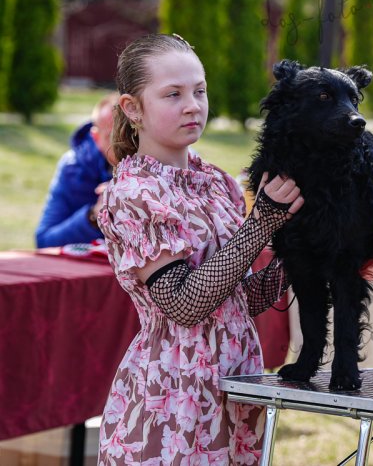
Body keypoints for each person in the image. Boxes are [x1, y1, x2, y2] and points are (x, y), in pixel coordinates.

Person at [96, 33, 304, 465]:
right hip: (174, 395)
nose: (193, 105)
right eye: (173, 94)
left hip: (236, 383)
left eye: (200, 91)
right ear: (132, 108)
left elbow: (242, 299)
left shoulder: (217, 182)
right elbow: (184, 304)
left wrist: (305, 248)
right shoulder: (135, 193)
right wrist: (262, 222)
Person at [35, 93, 117, 248]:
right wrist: (93, 216)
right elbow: (45, 241)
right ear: (96, 137)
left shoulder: (156, 167)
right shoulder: (73, 167)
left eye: (132, 136)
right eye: (113, 137)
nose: (124, 146)